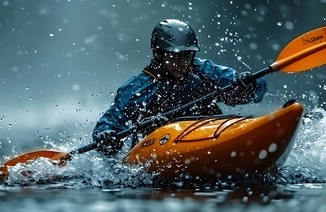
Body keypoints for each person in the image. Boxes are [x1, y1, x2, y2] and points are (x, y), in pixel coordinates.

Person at [92, 19, 268, 157]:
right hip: (162, 146)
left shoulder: (204, 70)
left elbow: (258, 90)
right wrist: (106, 136)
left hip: (211, 134)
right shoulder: (137, 88)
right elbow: (109, 124)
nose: (182, 63)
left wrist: (247, 84)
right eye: (174, 57)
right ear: (158, 54)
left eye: (187, 56)